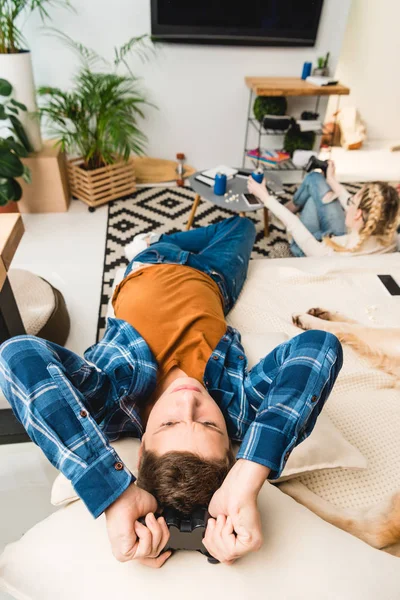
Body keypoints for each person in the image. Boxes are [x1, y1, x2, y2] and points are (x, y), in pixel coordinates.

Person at [0, 216, 343, 569]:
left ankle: (155, 239)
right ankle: (165, 235)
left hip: (146, 266)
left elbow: (18, 356)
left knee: (175, 239)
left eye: (168, 424)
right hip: (212, 277)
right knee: (241, 226)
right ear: (231, 444)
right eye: (209, 424)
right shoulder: (239, 410)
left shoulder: (109, 404)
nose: (188, 398)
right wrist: (248, 475)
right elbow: (317, 347)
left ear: (142, 446)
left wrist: (111, 493)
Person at [248, 161, 400, 257]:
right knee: (316, 180)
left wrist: (266, 197)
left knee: (313, 199)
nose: (348, 203)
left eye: (351, 201)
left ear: (358, 214)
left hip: (307, 247)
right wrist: (331, 180)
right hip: (339, 236)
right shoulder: (392, 239)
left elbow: (295, 225)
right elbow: (358, 208)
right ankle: (292, 208)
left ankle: (288, 219)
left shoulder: (336, 254)